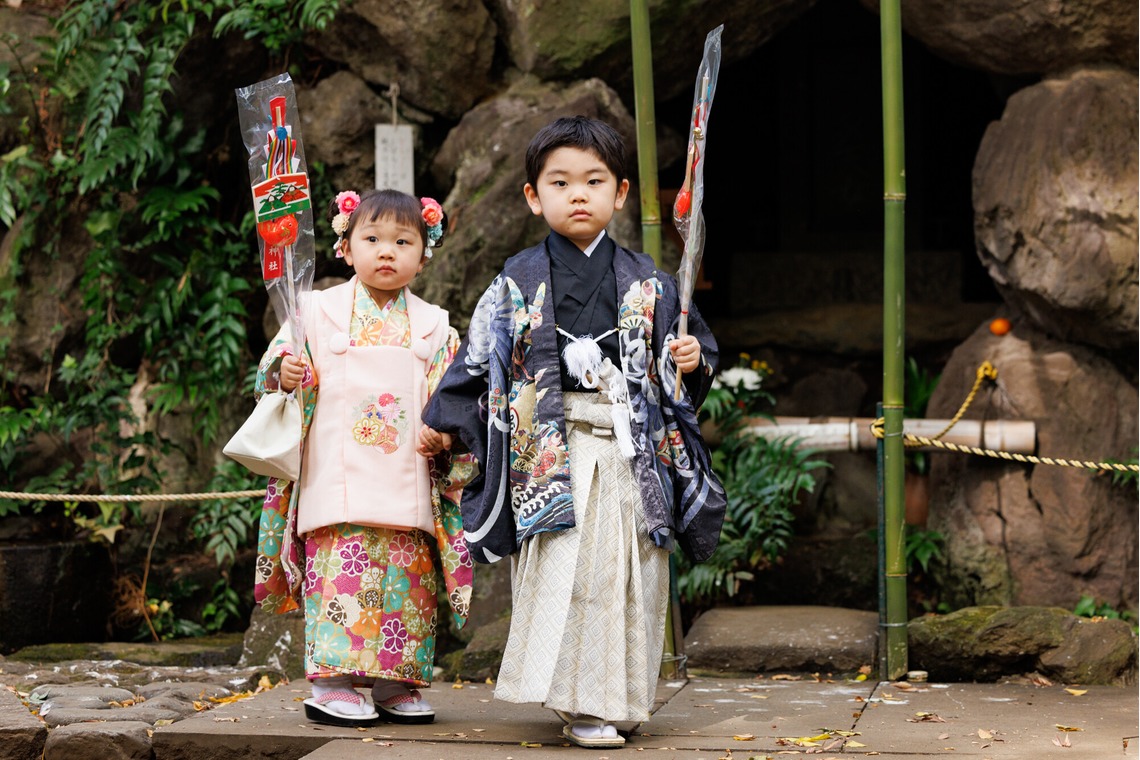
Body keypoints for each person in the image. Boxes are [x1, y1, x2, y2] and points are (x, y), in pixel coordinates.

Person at [418, 116, 725, 748]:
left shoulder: (650, 281)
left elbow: (682, 371)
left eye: (594, 181)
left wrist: (691, 360)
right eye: (559, 182)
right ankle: (583, 705)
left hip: (630, 451)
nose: (577, 194)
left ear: (621, 194)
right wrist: (446, 424)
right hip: (551, 455)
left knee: (630, 577)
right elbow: (479, 361)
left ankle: (621, 697)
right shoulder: (518, 280)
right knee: (573, 576)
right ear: (534, 197)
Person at [251, 189, 475, 728]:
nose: (387, 252)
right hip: (338, 474)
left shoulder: (435, 326)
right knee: (344, 574)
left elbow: (455, 395)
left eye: (403, 242)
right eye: (371, 239)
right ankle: (333, 682)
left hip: (406, 474)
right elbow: (274, 368)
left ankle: (398, 681)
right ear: (345, 249)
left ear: (424, 255)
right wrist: (285, 375)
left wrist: (444, 435)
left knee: (406, 578)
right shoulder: (316, 310)